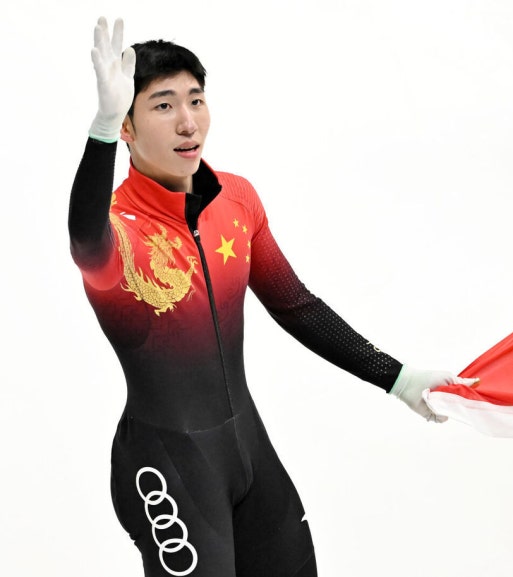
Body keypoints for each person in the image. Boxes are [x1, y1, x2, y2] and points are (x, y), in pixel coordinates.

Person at [68, 17, 477, 577]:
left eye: (196, 100)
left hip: (249, 453)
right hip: (168, 464)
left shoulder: (236, 199)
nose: (188, 122)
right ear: (128, 127)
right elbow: (85, 239)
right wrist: (100, 129)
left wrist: (398, 378)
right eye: (163, 106)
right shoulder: (119, 230)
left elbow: (294, 304)